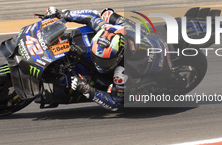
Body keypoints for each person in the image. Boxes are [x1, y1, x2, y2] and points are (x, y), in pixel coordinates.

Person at [44, 6, 173, 111]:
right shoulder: (106, 29)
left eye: (104, 61)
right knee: (106, 13)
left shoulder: (122, 71)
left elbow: (114, 103)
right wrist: (62, 14)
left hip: (159, 65)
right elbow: (90, 16)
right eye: (97, 58)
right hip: (134, 33)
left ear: (118, 57)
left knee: (130, 95)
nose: (97, 62)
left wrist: (86, 89)